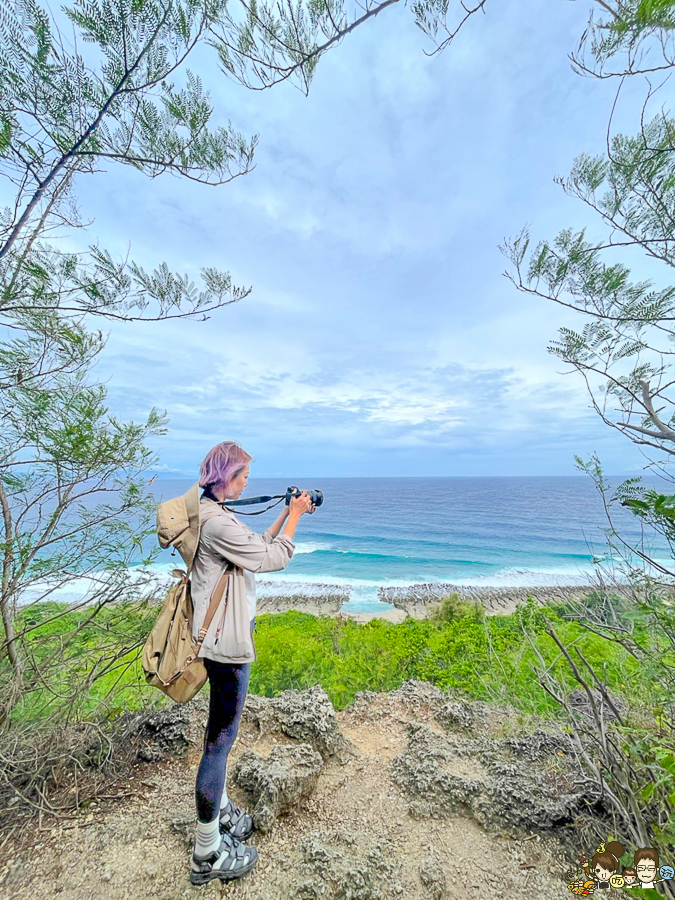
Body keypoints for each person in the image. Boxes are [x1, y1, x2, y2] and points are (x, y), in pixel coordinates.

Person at [189, 441, 315, 886]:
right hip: (225, 648)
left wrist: (284, 512)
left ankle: (220, 811)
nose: (246, 483)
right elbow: (272, 558)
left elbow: (257, 544)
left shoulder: (213, 514)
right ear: (224, 476)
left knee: (217, 736)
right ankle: (207, 852)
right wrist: (297, 516)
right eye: (242, 475)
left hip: (218, 640)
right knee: (218, 745)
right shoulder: (217, 523)